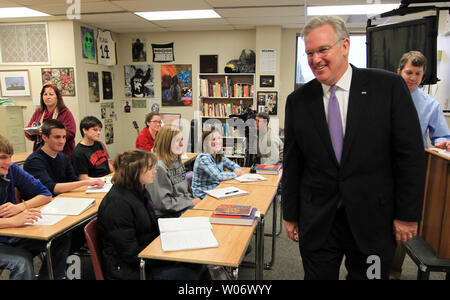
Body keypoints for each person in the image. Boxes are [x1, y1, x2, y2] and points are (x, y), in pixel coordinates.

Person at [282, 16, 425, 280]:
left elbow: (410, 157)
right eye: (310, 53)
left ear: (345, 45)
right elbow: (293, 163)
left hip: (373, 222)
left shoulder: (387, 87)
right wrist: (290, 215)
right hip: (319, 220)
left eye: (323, 50)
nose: (316, 59)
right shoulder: (298, 102)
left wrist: (407, 216)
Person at [97, 150, 206, 280]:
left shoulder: (139, 191)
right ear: (134, 172)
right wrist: (168, 258)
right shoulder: (117, 205)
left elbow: (150, 228)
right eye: (150, 168)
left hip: (146, 255)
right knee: (189, 274)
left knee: (198, 261)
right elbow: (131, 254)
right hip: (128, 269)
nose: (155, 171)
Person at [0, 135, 70, 280]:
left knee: (60, 238)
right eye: (2, 157)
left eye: (10, 157)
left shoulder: (11, 169)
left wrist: (20, 207)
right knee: (22, 262)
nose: (9, 162)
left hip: (11, 234)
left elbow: (45, 194)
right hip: (7, 233)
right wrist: (13, 222)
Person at [24, 119, 105, 196]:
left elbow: (74, 181)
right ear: (44, 137)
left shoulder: (63, 158)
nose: (62, 141)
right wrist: (86, 182)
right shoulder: (34, 161)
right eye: (57, 137)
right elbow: (51, 188)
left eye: (64, 137)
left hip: (64, 199)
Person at [396, 50, 450, 151]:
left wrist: (444, 143)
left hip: (416, 159)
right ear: (399, 72)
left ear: (423, 74)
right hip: (385, 159)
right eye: (409, 73)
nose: (413, 78)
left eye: (418, 74)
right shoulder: (384, 97)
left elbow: (441, 136)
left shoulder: (431, 104)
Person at [147, 125, 201, 218]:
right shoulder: (158, 167)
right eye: (177, 141)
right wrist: (190, 203)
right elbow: (162, 204)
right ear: (167, 143)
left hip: (182, 208)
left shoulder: (177, 161)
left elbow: (184, 193)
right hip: (168, 216)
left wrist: (192, 202)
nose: (181, 144)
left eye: (182, 139)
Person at [25, 84, 76, 157]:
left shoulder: (65, 113)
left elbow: (71, 133)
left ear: (57, 97)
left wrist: (50, 133)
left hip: (61, 153)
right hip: (41, 151)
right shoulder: (38, 112)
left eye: (51, 94)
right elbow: (28, 132)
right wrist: (34, 130)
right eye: (45, 94)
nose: (48, 97)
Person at [191, 128, 243, 199]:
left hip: (216, 189)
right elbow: (218, 176)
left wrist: (237, 169)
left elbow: (234, 166)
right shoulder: (203, 158)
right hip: (204, 195)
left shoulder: (218, 155)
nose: (217, 142)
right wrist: (235, 174)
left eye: (219, 138)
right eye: (213, 139)